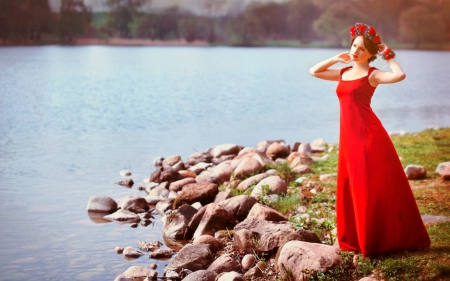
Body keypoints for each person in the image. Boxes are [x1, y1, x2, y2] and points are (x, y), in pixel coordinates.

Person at [309, 23, 431, 257]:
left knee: (369, 188)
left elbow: (400, 75)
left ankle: (379, 239)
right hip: (349, 138)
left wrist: (389, 54)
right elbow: (314, 71)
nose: (355, 51)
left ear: (370, 54)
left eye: (361, 49)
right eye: (354, 46)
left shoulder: (371, 75)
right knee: (351, 185)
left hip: (368, 137)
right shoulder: (344, 73)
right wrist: (336, 58)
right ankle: (357, 237)